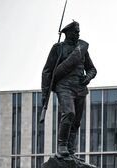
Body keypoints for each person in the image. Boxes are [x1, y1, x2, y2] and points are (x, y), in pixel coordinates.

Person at [41, 21, 97, 158]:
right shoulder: (58, 49)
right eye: (76, 31)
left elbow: (92, 69)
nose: (78, 33)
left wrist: (87, 77)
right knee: (69, 113)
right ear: (68, 33)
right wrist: (45, 94)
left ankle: (71, 151)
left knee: (76, 122)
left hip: (80, 88)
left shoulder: (82, 49)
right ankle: (62, 146)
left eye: (79, 31)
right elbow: (47, 71)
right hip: (64, 87)